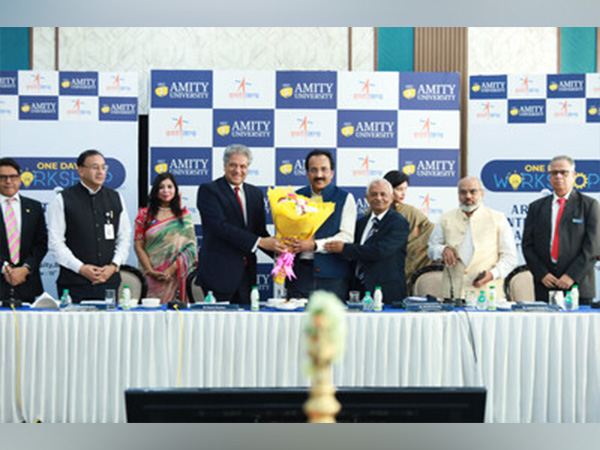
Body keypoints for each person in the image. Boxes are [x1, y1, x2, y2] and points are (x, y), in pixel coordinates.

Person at [195, 144, 284, 304]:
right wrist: (260, 242)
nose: (238, 170)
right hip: (218, 275)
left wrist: (282, 253)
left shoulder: (255, 194)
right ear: (224, 165)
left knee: (245, 327)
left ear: (248, 167)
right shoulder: (209, 190)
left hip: (247, 276)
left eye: (243, 166)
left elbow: (259, 232)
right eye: (233, 165)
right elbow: (220, 227)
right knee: (218, 327)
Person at [48, 149, 131, 302]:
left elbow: (124, 237)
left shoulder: (115, 197)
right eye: (94, 167)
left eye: (103, 167)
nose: (100, 172)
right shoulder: (62, 199)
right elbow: (55, 243)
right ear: (81, 170)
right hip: (74, 284)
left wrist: (113, 265)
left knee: (109, 326)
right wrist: (81, 268)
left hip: (109, 282)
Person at [522, 155, 600, 304]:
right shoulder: (536, 207)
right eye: (554, 173)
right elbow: (527, 245)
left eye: (564, 172)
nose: (558, 176)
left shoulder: (589, 205)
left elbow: (593, 247)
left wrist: (571, 275)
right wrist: (542, 274)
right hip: (546, 285)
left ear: (574, 175)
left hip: (578, 285)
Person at [428, 176, 517, 299]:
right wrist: (442, 250)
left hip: (487, 294)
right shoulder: (445, 218)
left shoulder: (498, 218)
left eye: (473, 192)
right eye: (463, 192)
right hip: (453, 293)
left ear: (482, 194)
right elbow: (431, 249)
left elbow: (510, 257)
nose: (468, 196)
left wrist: (492, 274)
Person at [286, 149, 356, 301]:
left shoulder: (345, 198)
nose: (319, 175)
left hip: (333, 276)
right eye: (313, 170)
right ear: (307, 173)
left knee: (332, 324)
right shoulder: (295, 197)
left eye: (324, 169)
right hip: (299, 274)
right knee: (297, 323)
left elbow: (347, 237)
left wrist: (314, 245)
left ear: (332, 172)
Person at [324, 179, 409, 304]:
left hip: (387, 292)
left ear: (391, 198)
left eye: (383, 194)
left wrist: (344, 248)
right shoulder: (361, 223)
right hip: (359, 289)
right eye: (374, 194)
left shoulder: (399, 223)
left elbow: (379, 251)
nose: (378, 198)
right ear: (367, 198)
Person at [134, 173, 197, 304]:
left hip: (176, 276)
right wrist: (150, 271)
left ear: (175, 190)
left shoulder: (183, 216)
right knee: (150, 316)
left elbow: (191, 248)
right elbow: (138, 246)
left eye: (170, 186)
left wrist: (172, 269)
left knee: (176, 316)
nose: (166, 191)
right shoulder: (144, 215)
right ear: (155, 190)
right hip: (150, 276)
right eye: (161, 187)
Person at [0, 158, 48, 302]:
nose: (9, 181)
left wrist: (26, 268)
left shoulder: (34, 207)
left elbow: (41, 243)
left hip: (27, 282)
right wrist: (3, 268)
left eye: (13, 177)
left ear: (19, 179)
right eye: (3, 177)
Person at [383, 170, 434, 288]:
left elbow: (430, 230)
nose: (403, 193)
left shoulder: (410, 212)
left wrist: (413, 248)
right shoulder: (374, 212)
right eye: (399, 189)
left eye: (405, 189)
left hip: (405, 264)